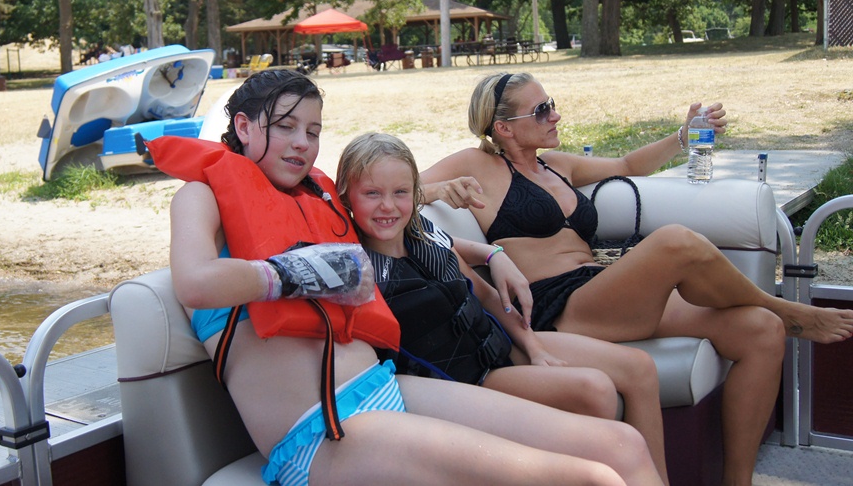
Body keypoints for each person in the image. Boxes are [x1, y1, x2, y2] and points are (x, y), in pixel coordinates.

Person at [152, 69, 664, 486]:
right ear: (244, 127)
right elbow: (195, 282)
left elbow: (399, 216)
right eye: (285, 126)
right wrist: (299, 272)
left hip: (391, 389)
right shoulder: (203, 197)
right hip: (322, 432)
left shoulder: (314, 202)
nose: (301, 144)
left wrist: (490, 251)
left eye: (313, 131)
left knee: (620, 446)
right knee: (590, 479)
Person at [420, 71, 853, 486]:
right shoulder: (477, 164)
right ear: (504, 128)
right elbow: (398, 189)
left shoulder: (555, 165)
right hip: (555, 307)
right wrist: (439, 191)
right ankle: (784, 307)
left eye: (551, 104)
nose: (555, 115)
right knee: (675, 243)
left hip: (598, 288)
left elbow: (628, 164)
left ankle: (737, 480)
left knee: (760, 330)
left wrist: (683, 135)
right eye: (541, 111)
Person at [337, 131, 669, 484]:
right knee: (595, 389)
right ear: (345, 198)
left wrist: (535, 348)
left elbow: (487, 296)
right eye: (372, 194)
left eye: (400, 193)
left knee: (636, 367)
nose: (388, 206)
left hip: (499, 343)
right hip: (467, 380)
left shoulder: (426, 237)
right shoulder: (354, 271)